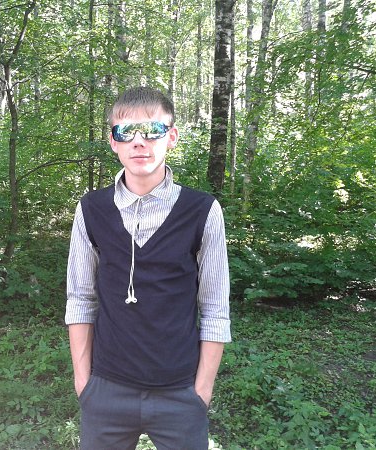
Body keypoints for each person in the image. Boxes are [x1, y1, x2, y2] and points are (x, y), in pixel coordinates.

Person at [65, 86, 231, 450]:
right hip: (106, 390)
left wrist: (201, 392)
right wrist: (84, 384)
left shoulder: (202, 211)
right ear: (113, 141)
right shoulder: (91, 209)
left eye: (153, 130)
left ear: (171, 137)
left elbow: (216, 309)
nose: (139, 141)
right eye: (126, 131)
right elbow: (80, 299)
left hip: (180, 393)